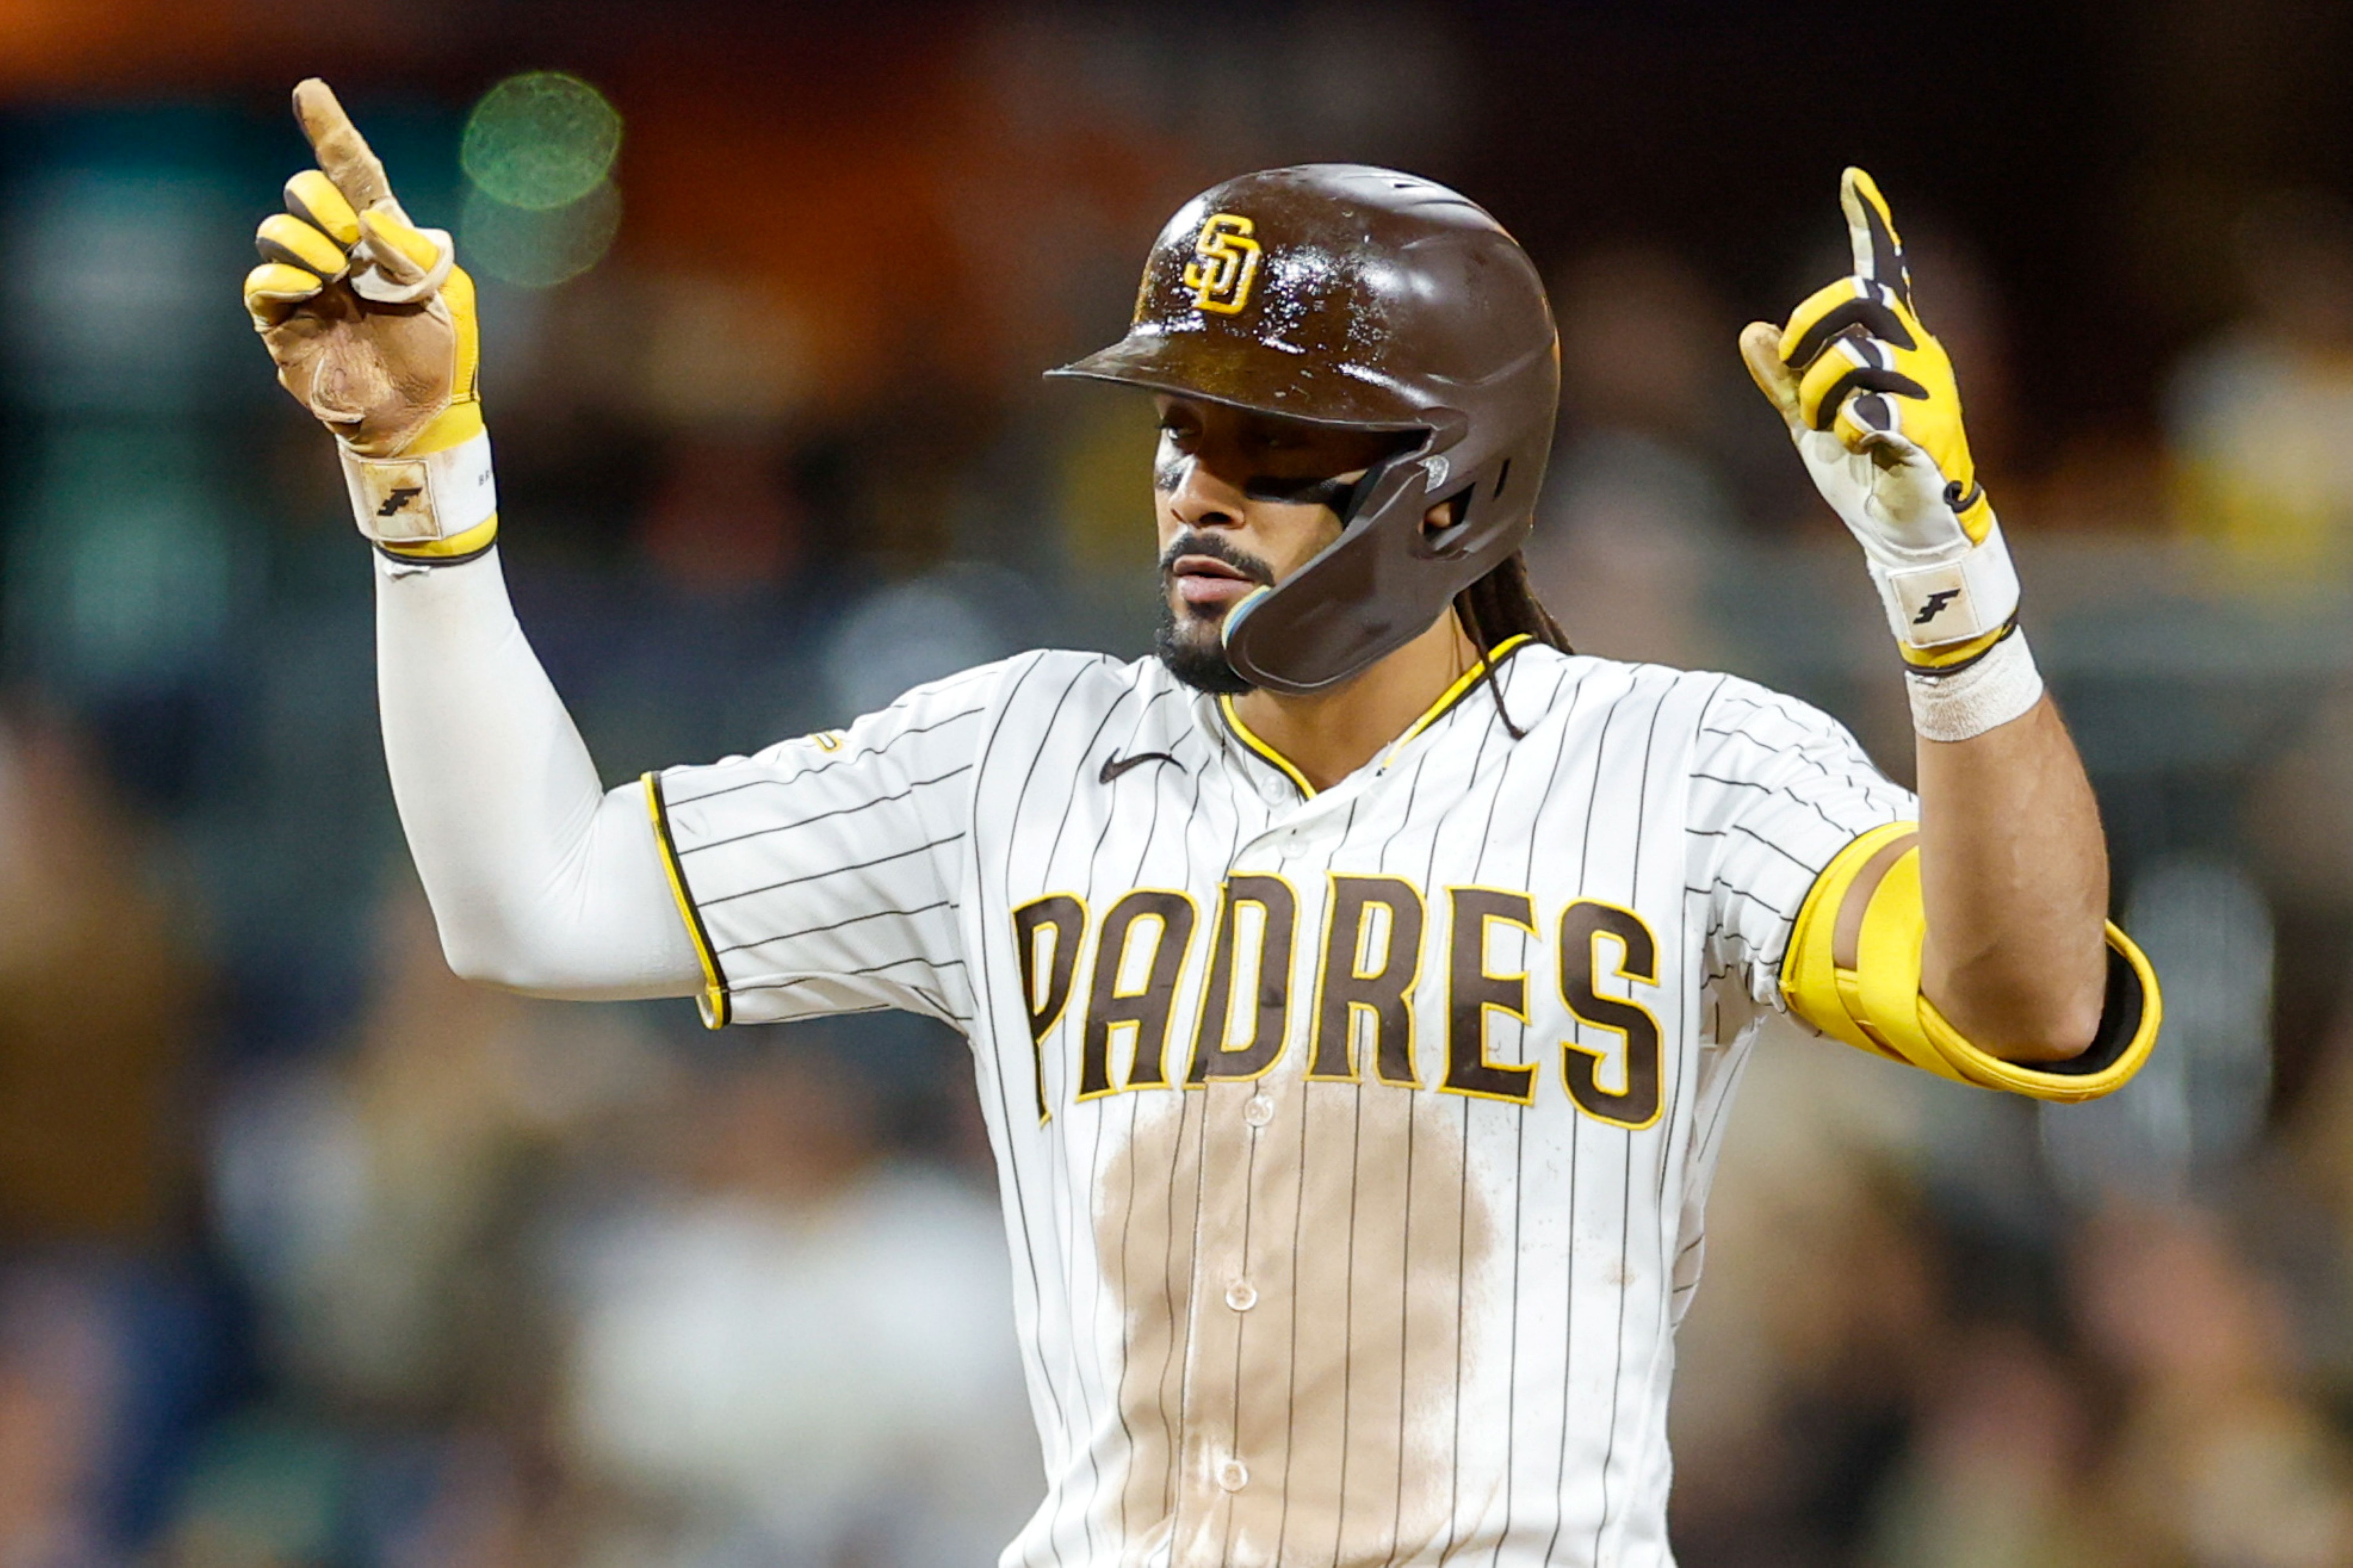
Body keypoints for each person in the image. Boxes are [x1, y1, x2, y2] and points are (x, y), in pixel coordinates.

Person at [244, 79, 2160, 1567]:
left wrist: (1944, 580)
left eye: (1269, 448)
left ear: (1448, 481)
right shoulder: (1019, 752)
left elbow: (2027, 992)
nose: (1193, 488)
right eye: (1180, 428)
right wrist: (419, 478)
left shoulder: (1683, 764)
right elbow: (533, 902)